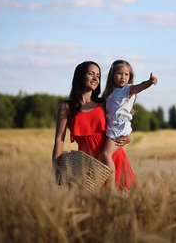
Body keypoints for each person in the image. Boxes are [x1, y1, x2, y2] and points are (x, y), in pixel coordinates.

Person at [52, 61, 137, 191]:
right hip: (88, 165)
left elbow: (120, 122)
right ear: (80, 76)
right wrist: (56, 169)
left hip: (114, 160)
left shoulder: (104, 103)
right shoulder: (66, 107)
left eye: (98, 75)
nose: (95, 78)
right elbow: (59, 139)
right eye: (91, 74)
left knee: (122, 205)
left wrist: (128, 138)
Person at [100, 60, 157, 190]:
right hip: (112, 126)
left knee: (106, 154)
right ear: (112, 75)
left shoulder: (127, 90)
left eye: (126, 75)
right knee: (107, 155)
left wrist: (149, 82)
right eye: (120, 73)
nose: (123, 77)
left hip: (119, 127)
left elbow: (140, 86)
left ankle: (111, 188)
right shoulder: (109, 93)